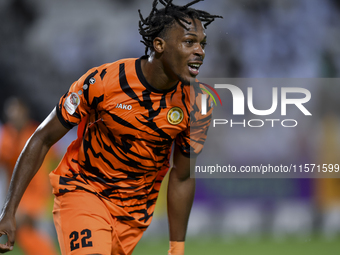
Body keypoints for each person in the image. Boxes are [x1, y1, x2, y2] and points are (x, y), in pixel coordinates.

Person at [0, 0, 222, 254]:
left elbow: (182, 176)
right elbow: (41, 138)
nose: (200, 51)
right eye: (189, 42)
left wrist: (177, 248)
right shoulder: (103, 82)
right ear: (160, 45)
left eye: (202, 44)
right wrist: (9, 211)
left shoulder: (199, 104)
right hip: (83, 191)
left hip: (133, 216)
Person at [0, 97, 58, 255]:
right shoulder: (8, 136)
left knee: (39, 238)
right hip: (19, 200)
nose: (13, 116)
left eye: (16, 111)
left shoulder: (38, 134)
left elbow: (54, 161)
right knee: (29, 238)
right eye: (10, 113)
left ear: (25, 112)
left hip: (39, 199)